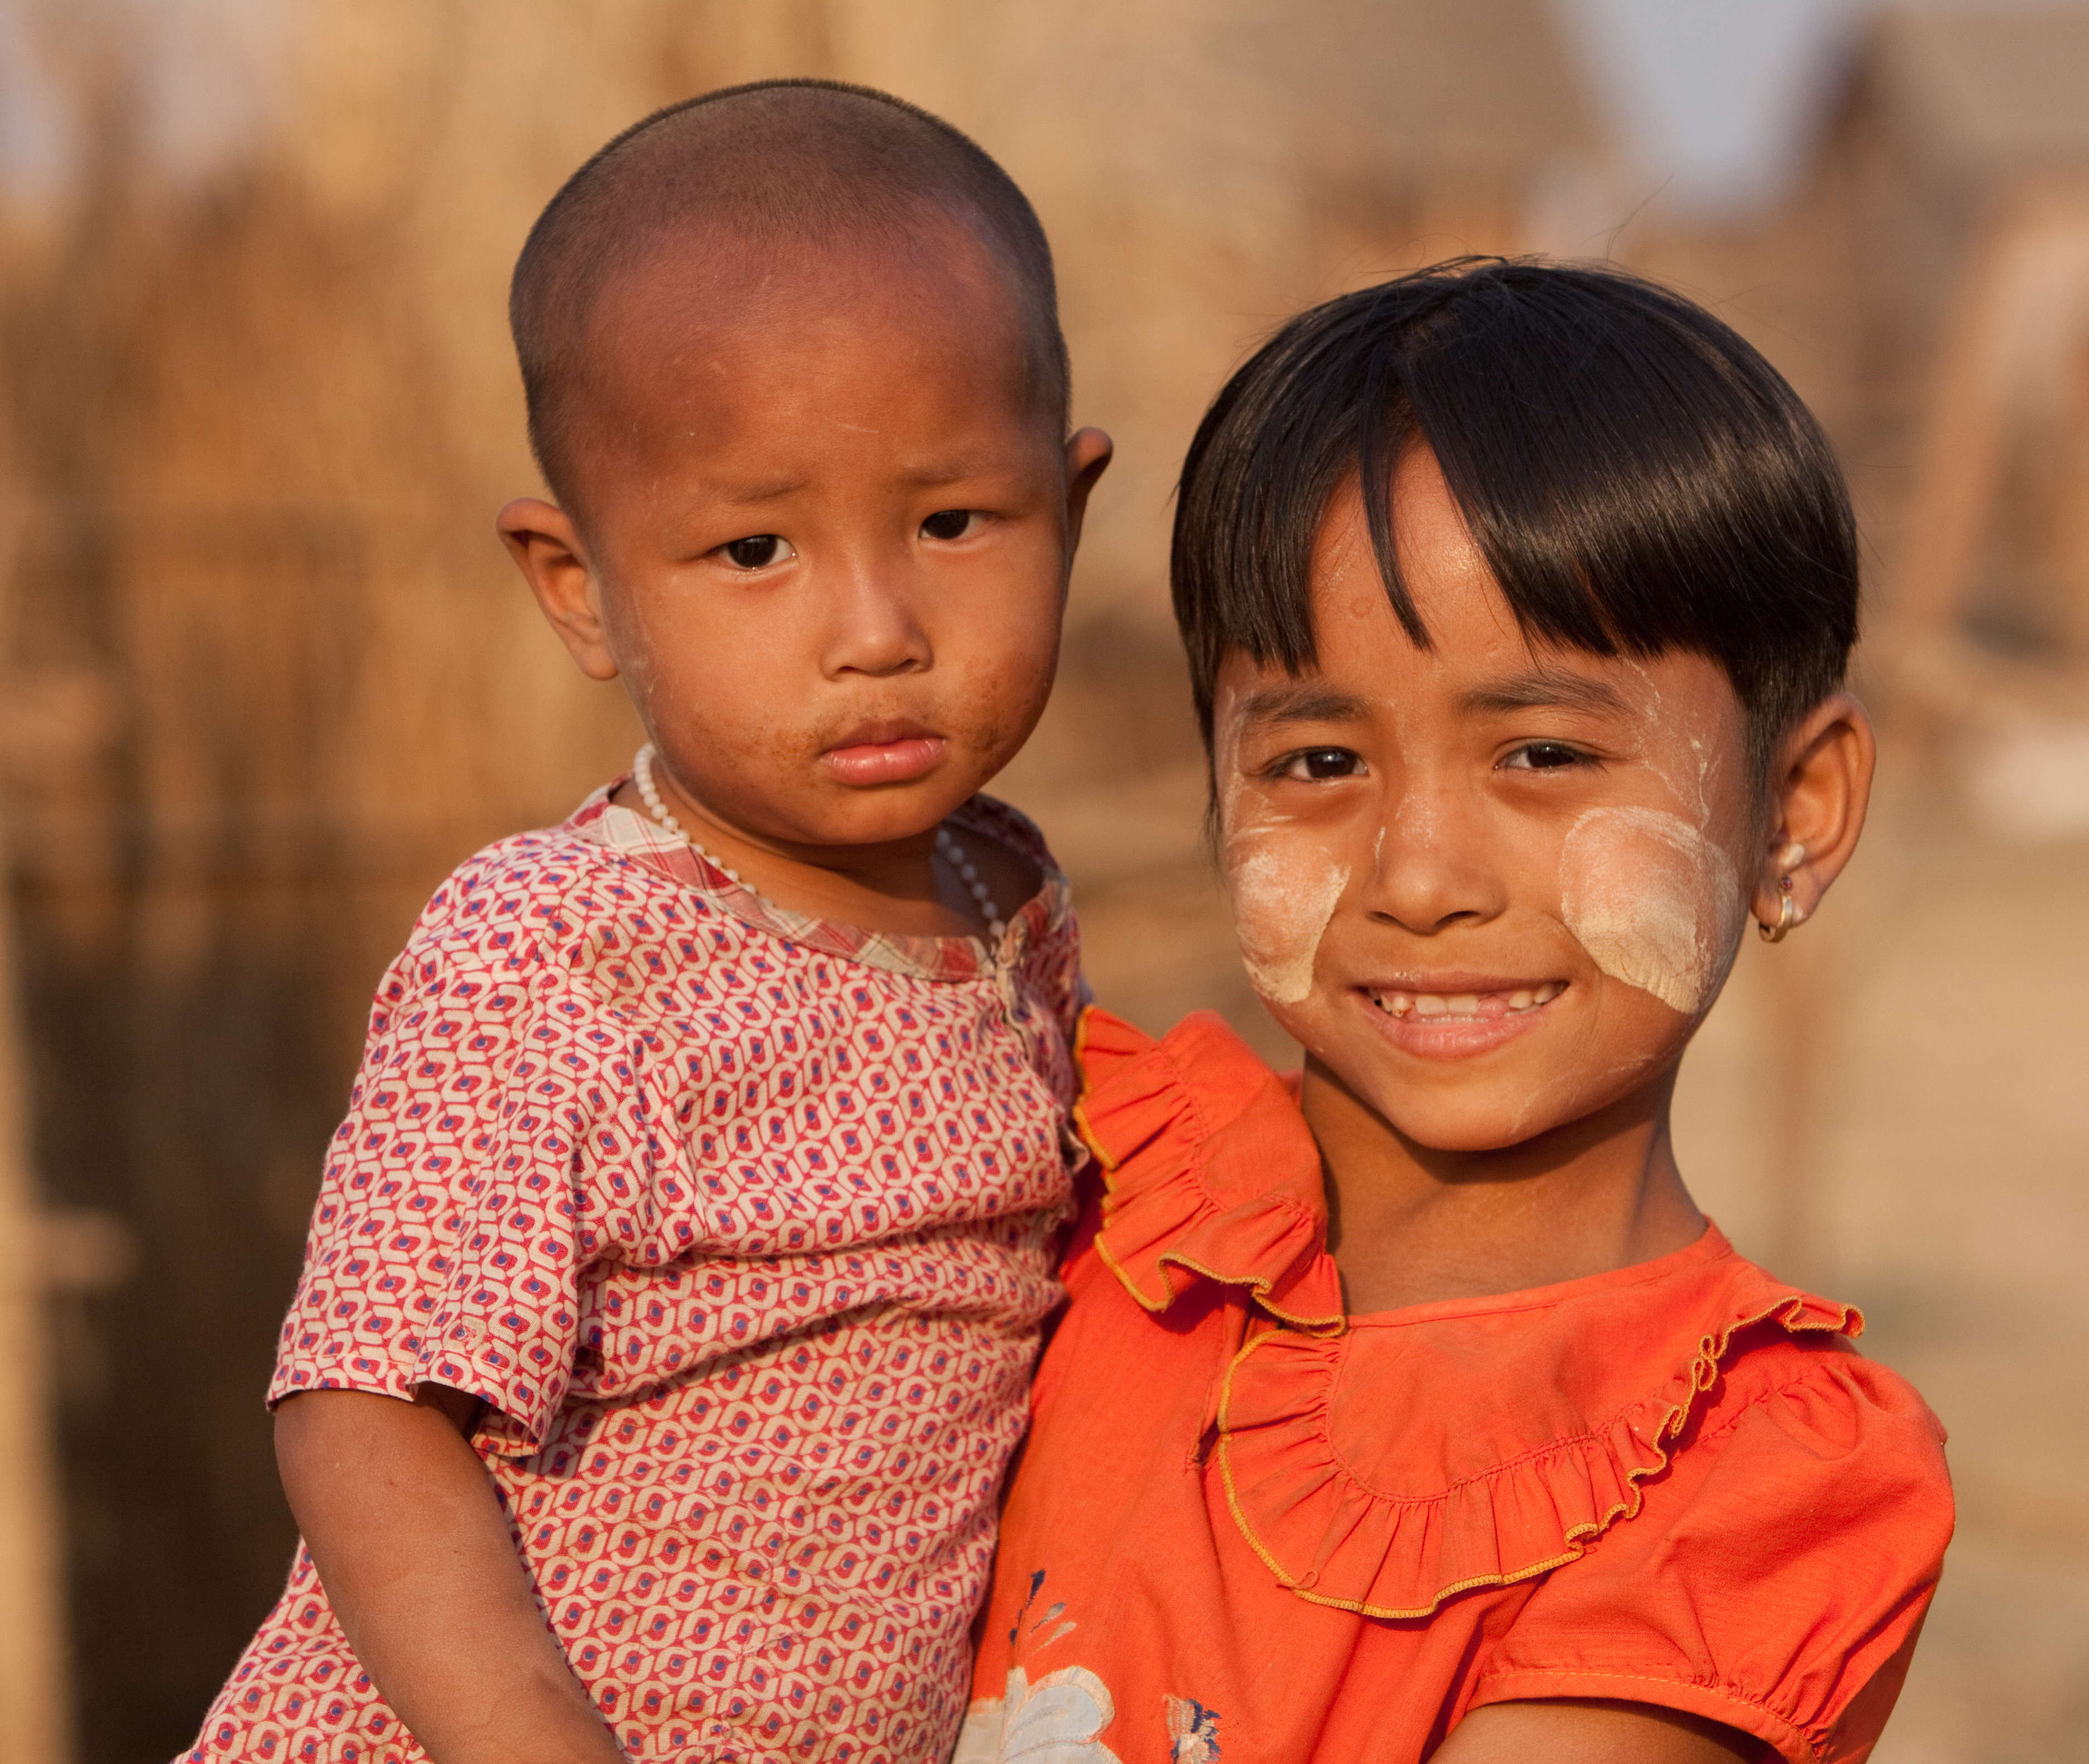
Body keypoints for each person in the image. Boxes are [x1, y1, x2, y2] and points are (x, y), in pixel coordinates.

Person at [180, 80, 1112, 1764]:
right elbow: (365, 1408)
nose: (876, 628)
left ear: (1075, 506)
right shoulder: (555, 954)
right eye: (755, 548)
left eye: (954, 523)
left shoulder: (1011, 898)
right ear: (577, 587)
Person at [955, 260, 1951, 1764]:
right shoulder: (1074, 1182)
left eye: (1543, 757)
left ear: (1796, 810)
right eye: (1317, 764)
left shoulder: (1753, 1477)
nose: (1418, 878)